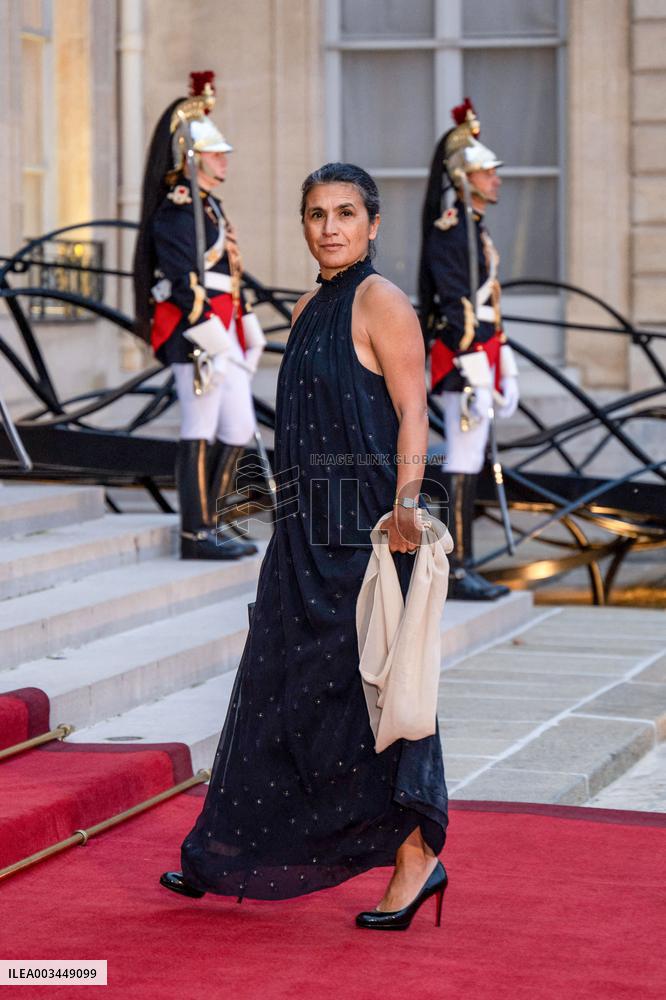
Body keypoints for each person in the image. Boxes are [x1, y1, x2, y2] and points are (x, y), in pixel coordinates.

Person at [160, 162, 449, 931]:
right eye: (316, 214)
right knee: (275, 686)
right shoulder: (309, 304)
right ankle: (224, 848)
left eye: (346, 213)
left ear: (373, 224)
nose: (329, 227)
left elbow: (413, 412)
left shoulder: (380, 301)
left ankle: (418, 855)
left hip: (366, 529)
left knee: (379, 690)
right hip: (303, 528)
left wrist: (407, 510)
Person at [133, 71, 264, 561]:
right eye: (215, 153)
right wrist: (218, 338)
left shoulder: (209, 208)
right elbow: (186, 282)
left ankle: (217, 522)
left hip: (223, 331)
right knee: (200, 426)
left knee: (236, 427)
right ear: (191, 156)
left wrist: (244, 325)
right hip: (198, 336)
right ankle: (195, 533)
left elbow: (229, 274)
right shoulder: (176, 207)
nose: (223, 159)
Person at [419, 98, 520, 600]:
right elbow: (457, 307)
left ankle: (464, 564)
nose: (495, 179)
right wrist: (477, 369)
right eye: (486, 172)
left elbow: (487, 304)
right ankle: (454, 569)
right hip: (461, 363)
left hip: (478, 360)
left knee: (470, 461)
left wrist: (505, 365)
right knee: (461, 461)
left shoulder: (472, 226)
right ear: (465, 177)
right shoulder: (453, 229)